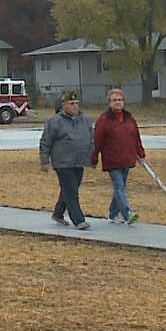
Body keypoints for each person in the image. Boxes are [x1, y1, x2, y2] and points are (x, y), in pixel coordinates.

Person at [40, 90, 95, 230]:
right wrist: (44, 160)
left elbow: (92, 140)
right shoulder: (55, 122)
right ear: (64, 105)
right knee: (71, 191)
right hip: (63, 162)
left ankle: (58, 213)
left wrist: (93, 157)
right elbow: (46, 142)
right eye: (71, 103)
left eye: (77, 103)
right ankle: (78, 220)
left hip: (79, 160)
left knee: (70, 188)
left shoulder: (85, 120)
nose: (75, 106)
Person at [92, 88, 145, 225]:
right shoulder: (104, 120)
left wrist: (141, 153)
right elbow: (97, 140)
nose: (118, 102)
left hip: (127, 158)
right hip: (112, 159)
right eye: (114, 100)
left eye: (120, 100)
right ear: (109, 102)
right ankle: (127, 213)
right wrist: (94, 158)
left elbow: (136, 137)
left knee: (120, 188)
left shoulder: (129, 118)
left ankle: (113, 213)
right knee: (119, 187)